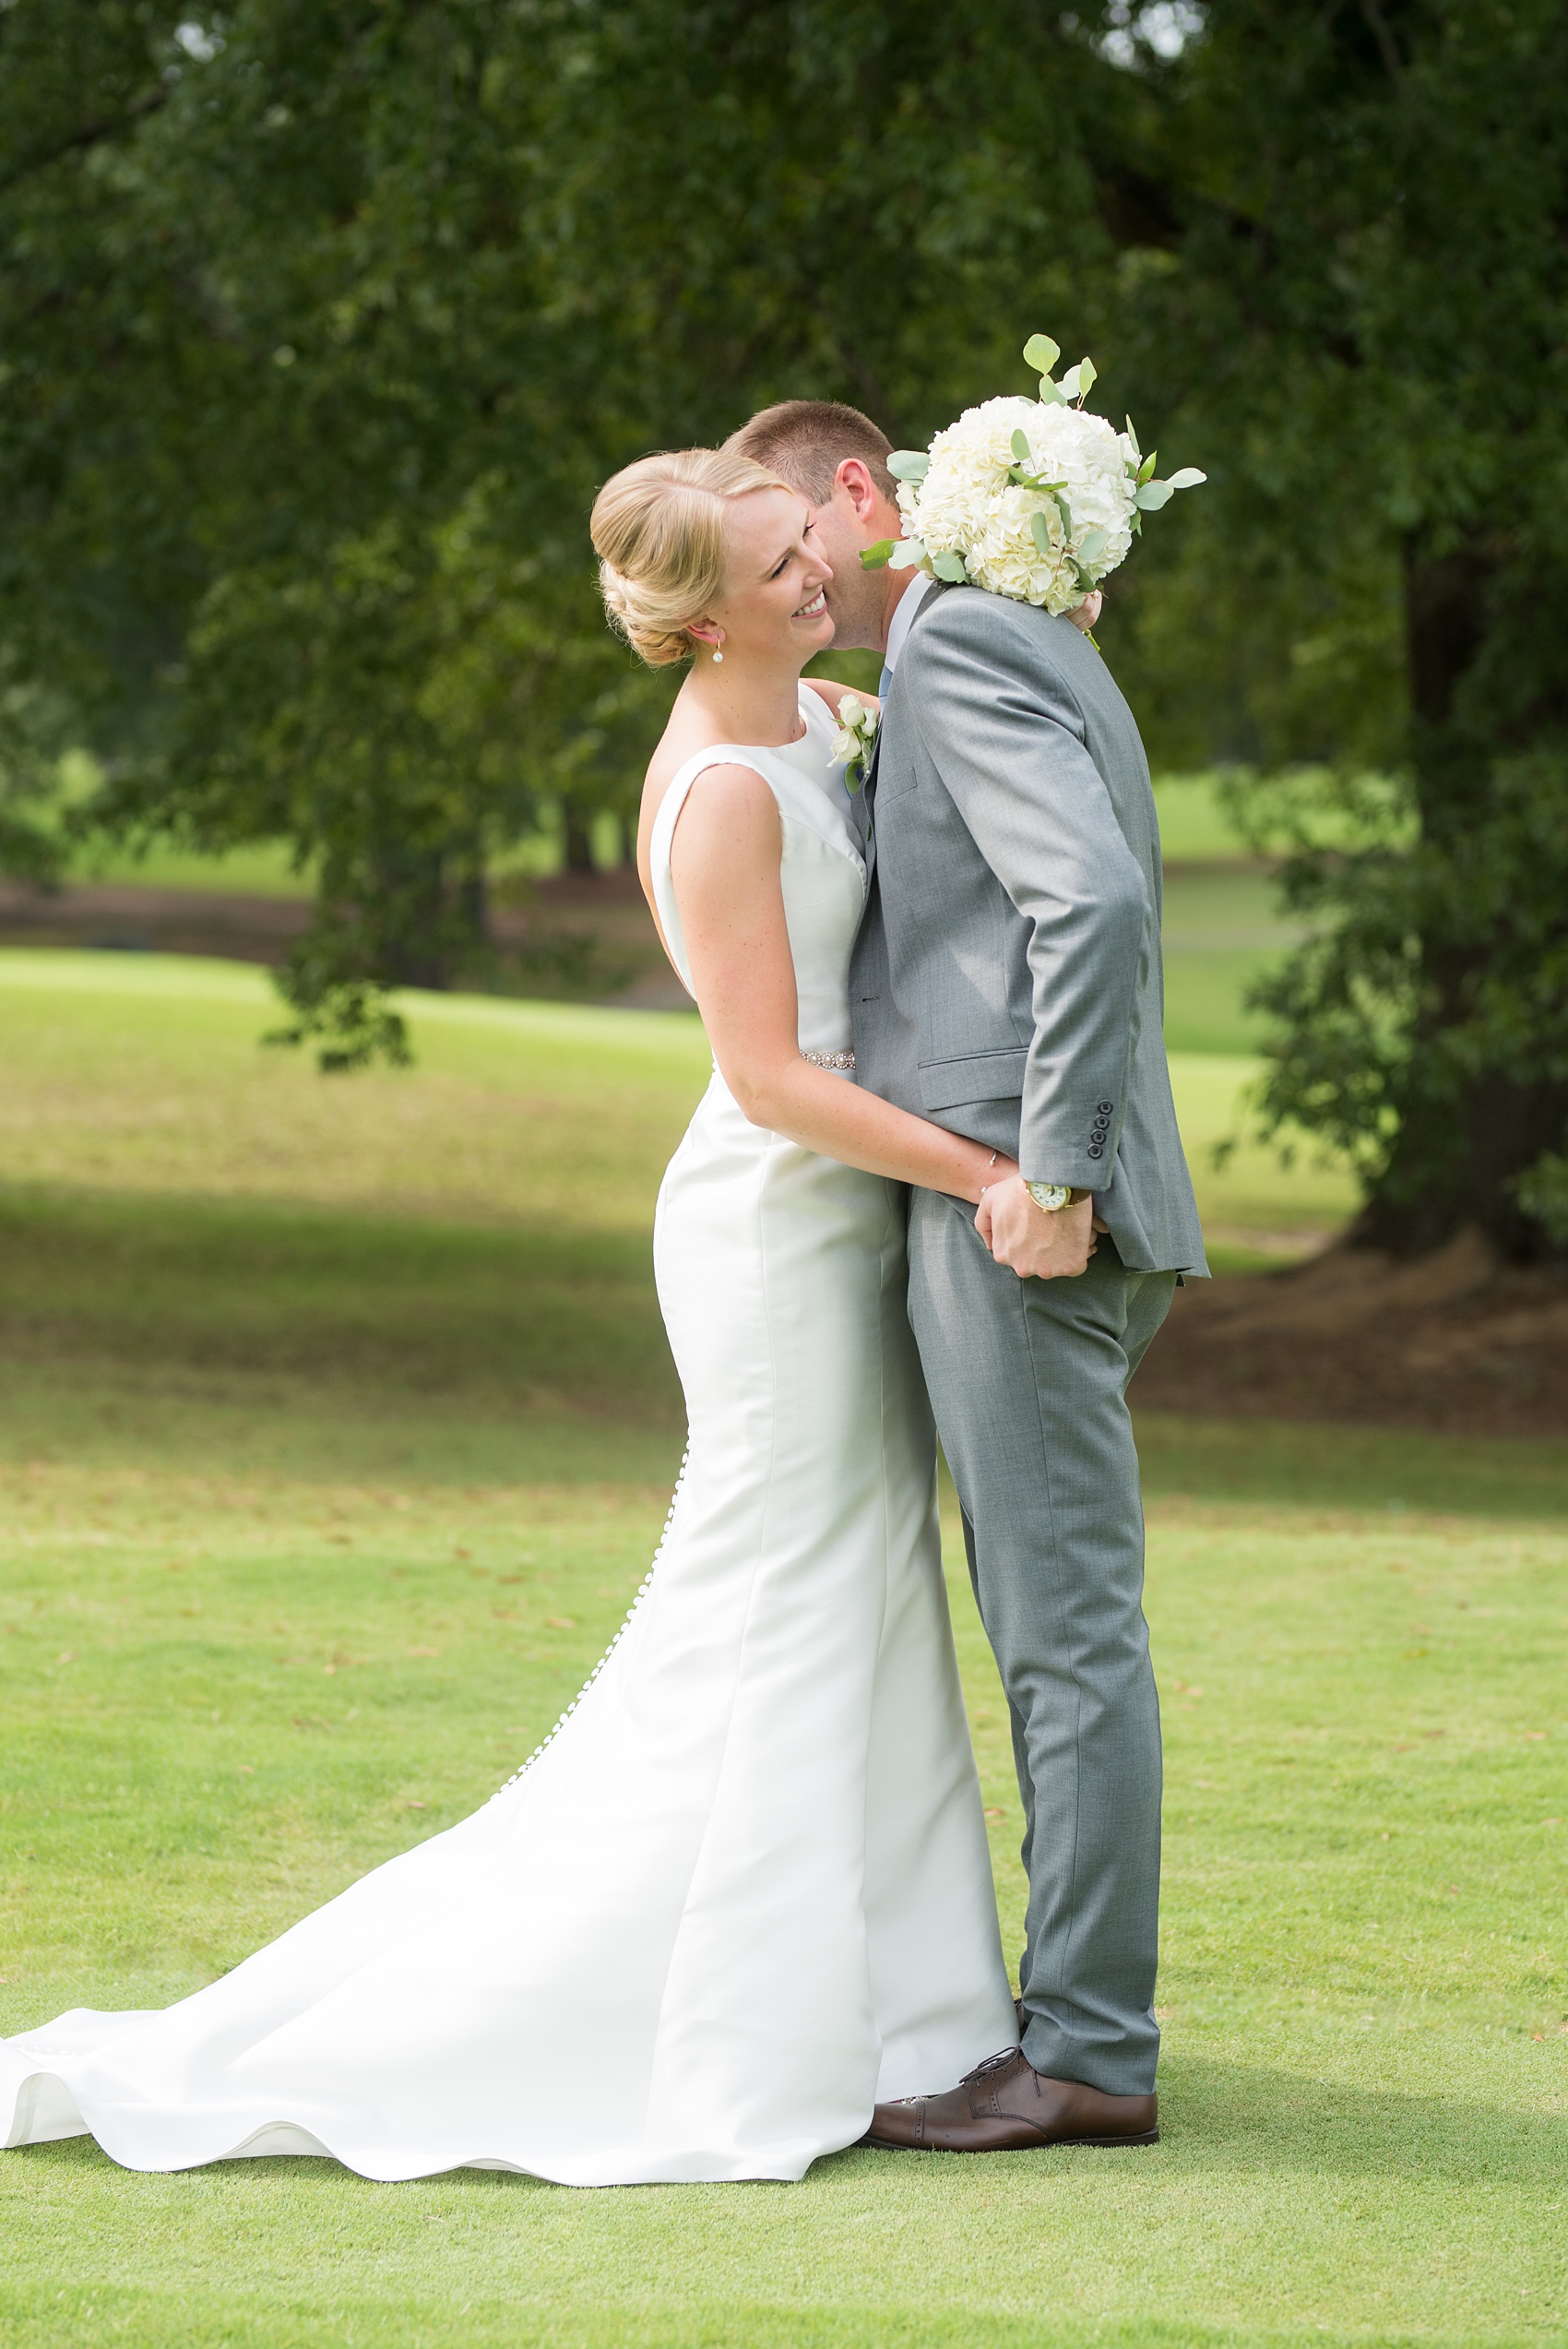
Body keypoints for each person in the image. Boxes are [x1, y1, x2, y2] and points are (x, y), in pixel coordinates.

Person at [0, 446, 1021, 2187]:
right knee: (775, 1606)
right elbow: (770, 1078)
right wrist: (986, 1172)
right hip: (776, 1233)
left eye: (810, 544)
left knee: (866, 1586)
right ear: (702, 621)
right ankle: (711, 2021)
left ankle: (917, 2015)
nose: (818, 574)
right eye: (781, 564)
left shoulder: (822, 719)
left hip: (848, 1218)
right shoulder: (722, 796)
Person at [727, 399, 1207, 2152]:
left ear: (861, 489)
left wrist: (1054, 1174)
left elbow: (1086, 901)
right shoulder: (981, 634)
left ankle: (1086, 2045)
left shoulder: (956, 642)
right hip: (1009, 1186)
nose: (778, 573)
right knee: (1052, 1622)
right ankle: (1066, 2016)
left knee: (1063, 1635)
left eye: (787, 534)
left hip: (1026, 1208)